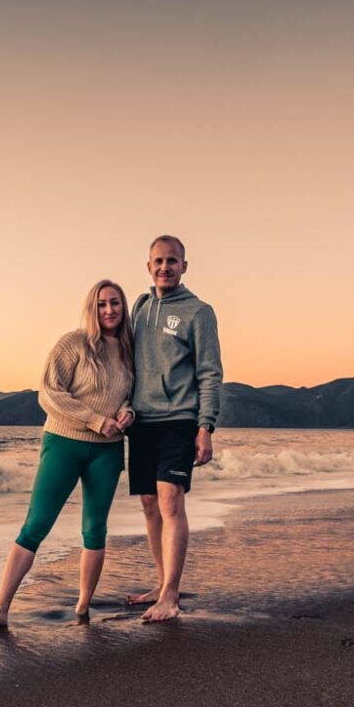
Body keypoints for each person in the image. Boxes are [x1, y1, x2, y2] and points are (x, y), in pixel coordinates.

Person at [0, 281, 135, 633]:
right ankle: (0, 608)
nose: (109, 310)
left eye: (115, 303)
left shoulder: (128, 351)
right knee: (36, 526)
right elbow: (49, 393)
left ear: (123, 307)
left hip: (107, 451)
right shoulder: (73, 343)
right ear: (93, 307)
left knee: (95, 530)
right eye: (102, 304)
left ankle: (83, 607)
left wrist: (127, 413)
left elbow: (129, 396)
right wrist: (94, 419)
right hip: (64, 442)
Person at [125, 234, 223, 623]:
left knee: (170, 504)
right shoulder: (141, 306)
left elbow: (210, 373)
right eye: (158, 261)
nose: (165, 267)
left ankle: (170, 595)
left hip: (179, 421)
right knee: (150, 506)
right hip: (142, 423)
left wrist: (206, 427)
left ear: (184, 266)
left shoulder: (199, 312)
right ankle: (161, 580)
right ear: (148, 266)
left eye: (172, 261)